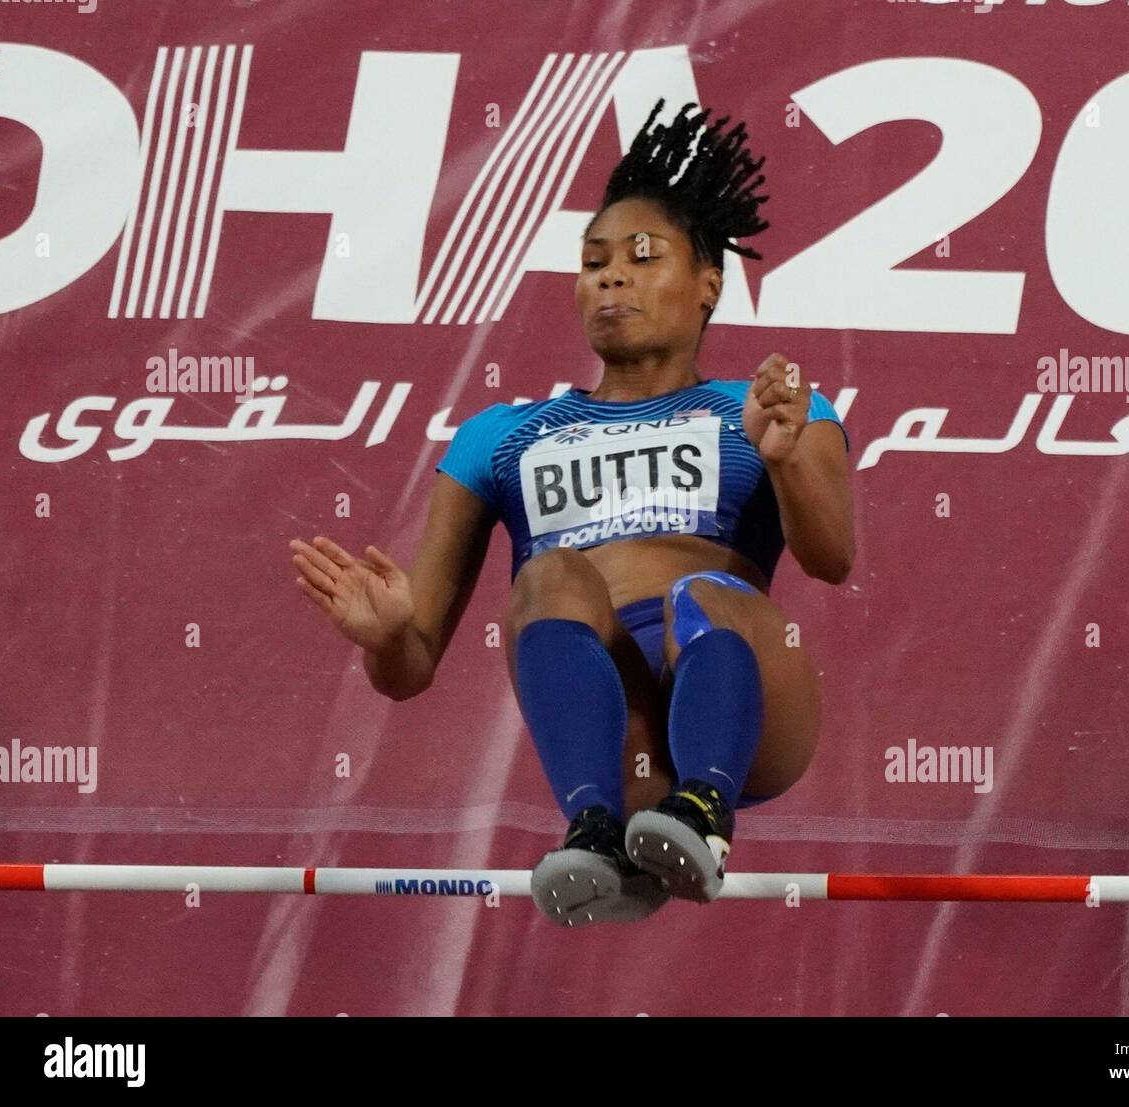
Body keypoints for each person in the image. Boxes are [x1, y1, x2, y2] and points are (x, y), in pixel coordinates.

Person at [289, 99, 854, 929]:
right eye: (594, 262)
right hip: (617, 733)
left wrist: (783, 456)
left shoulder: (765, 408)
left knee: (703, 591)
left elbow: (833, 557)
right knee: (548, 572)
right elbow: (411, 668)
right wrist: (385, 639)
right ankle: (595, 830)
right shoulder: (500, 437)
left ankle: (703, 814)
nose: (610, 276)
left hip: (748, 711)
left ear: (709, 285)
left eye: (641, 255)